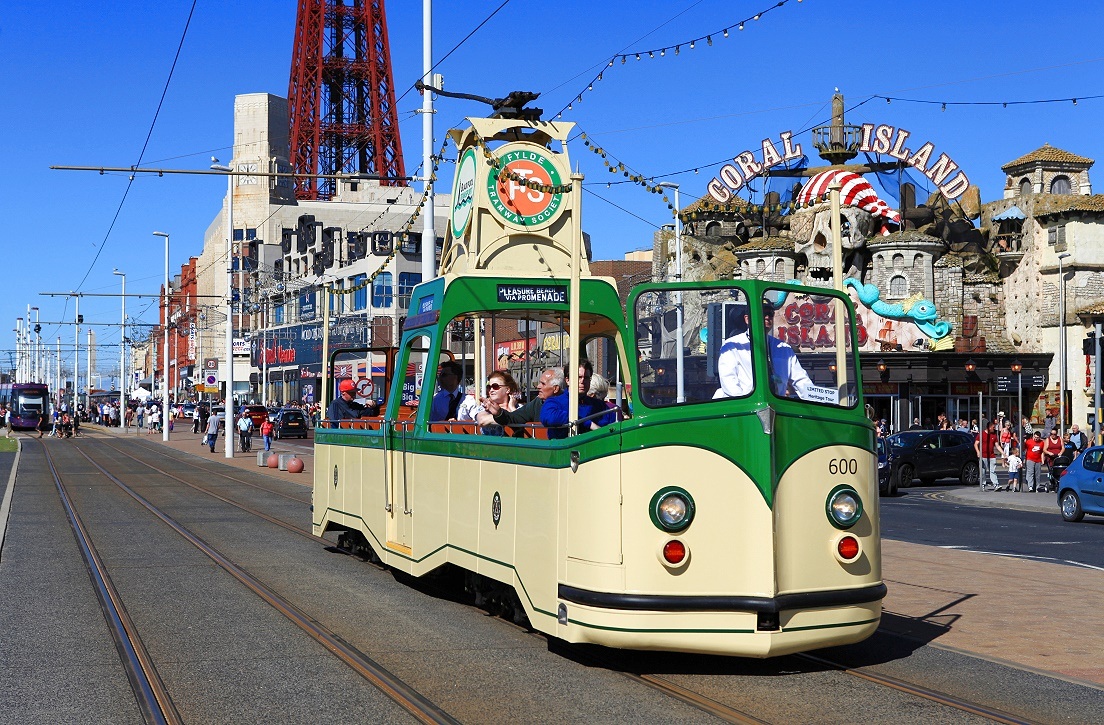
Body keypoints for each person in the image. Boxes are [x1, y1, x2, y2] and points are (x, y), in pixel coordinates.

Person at [714, 312, 813, 401]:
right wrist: (745, 405)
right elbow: (729, 381)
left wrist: (820, 402)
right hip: (744, 410)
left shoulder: (784, 348)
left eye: (770, 314)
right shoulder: (732, 345)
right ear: (747, 319)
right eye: (762, 313)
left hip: (778, 408)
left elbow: (801, 381)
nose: (767, 317)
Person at [473, 371, 520, 435]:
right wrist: (509, 417)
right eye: (489, 387)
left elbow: (521, 423)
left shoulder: (519, 407)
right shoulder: (484, 407)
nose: (491, 390)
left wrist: (511, 407)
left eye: (495, 386)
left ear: (507, 389)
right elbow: (482, 421)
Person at [974, 420, 1001, 491]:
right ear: (989, 427)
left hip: (992, 456)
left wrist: (1003, 453)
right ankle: (983, 484)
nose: (994, 428)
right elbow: (976, 444)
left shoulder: (994, 435)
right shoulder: (981, 434)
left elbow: (997, 446)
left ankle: (996, 485)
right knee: (983, 471)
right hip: (983, 456)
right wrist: (978, 452)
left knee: (993, 471)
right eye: (993, 427)